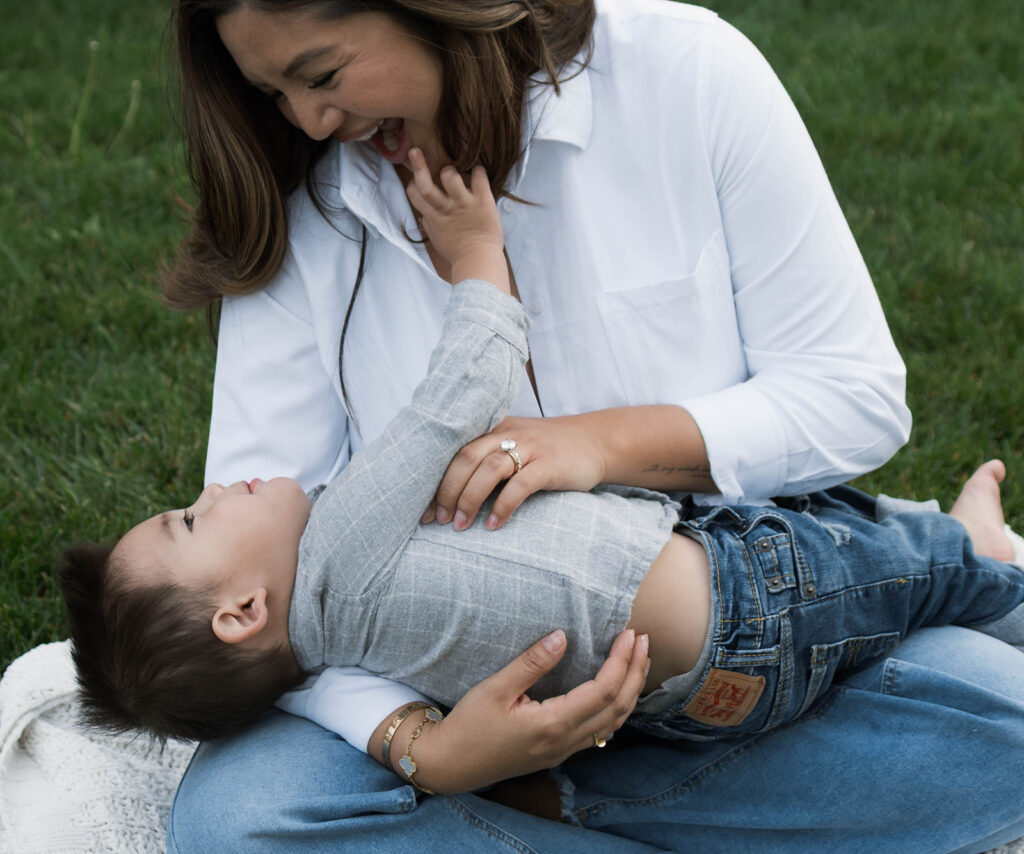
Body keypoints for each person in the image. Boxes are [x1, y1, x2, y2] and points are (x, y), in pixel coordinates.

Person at [160, 0, 1024, 850]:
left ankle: (548, 806)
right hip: (449, 709)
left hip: (732, 643)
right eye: (275, 94)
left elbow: (855, 396)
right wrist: (422, 747)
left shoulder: (682, 70)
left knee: (1003, 714)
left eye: (322, 73)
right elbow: (254, 594)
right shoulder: (298, 206)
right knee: (243, 819)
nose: (310, 120)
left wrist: (599, 442)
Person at [59, 153, 1024, 789]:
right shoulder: (341, 549)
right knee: (907, 569)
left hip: (685, 697)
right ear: (241, 614)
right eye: (191, 520)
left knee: (852, 533)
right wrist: (476, 257)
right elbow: (459, 394)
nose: (218, 486)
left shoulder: (347, 654)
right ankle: (984, 563)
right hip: (750, 601)